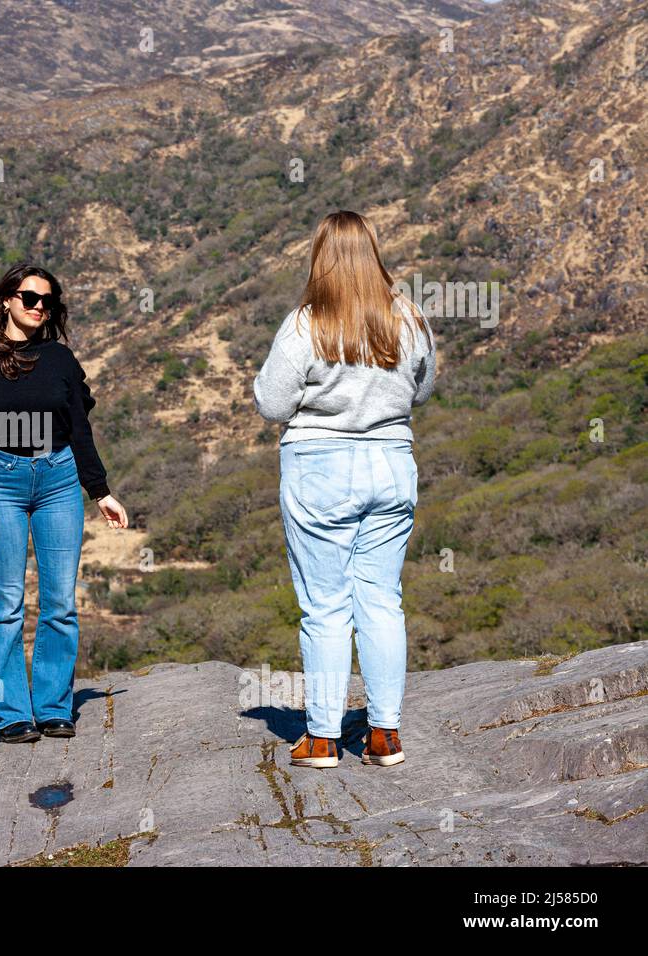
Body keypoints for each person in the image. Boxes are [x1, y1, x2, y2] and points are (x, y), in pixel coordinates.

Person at [253, 210, 436, 769]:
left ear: (321, 257)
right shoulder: (407, 316)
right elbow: (423, 389)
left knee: (325, 606)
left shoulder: (306, 323)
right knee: (381, 600)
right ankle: (385, 735)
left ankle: (323, 737)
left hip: (320, 467)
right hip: (390, 461)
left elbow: (272, 403)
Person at [0, 264, 128, 742]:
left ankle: (53, 707)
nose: (39, 307)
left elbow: (79, 429)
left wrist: (99, 490)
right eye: (29, 297)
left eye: (48, 301)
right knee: (6, 603)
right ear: (6, 299)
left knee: (60, 602)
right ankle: (12, 714)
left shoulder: (61, 360)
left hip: (59, 478)